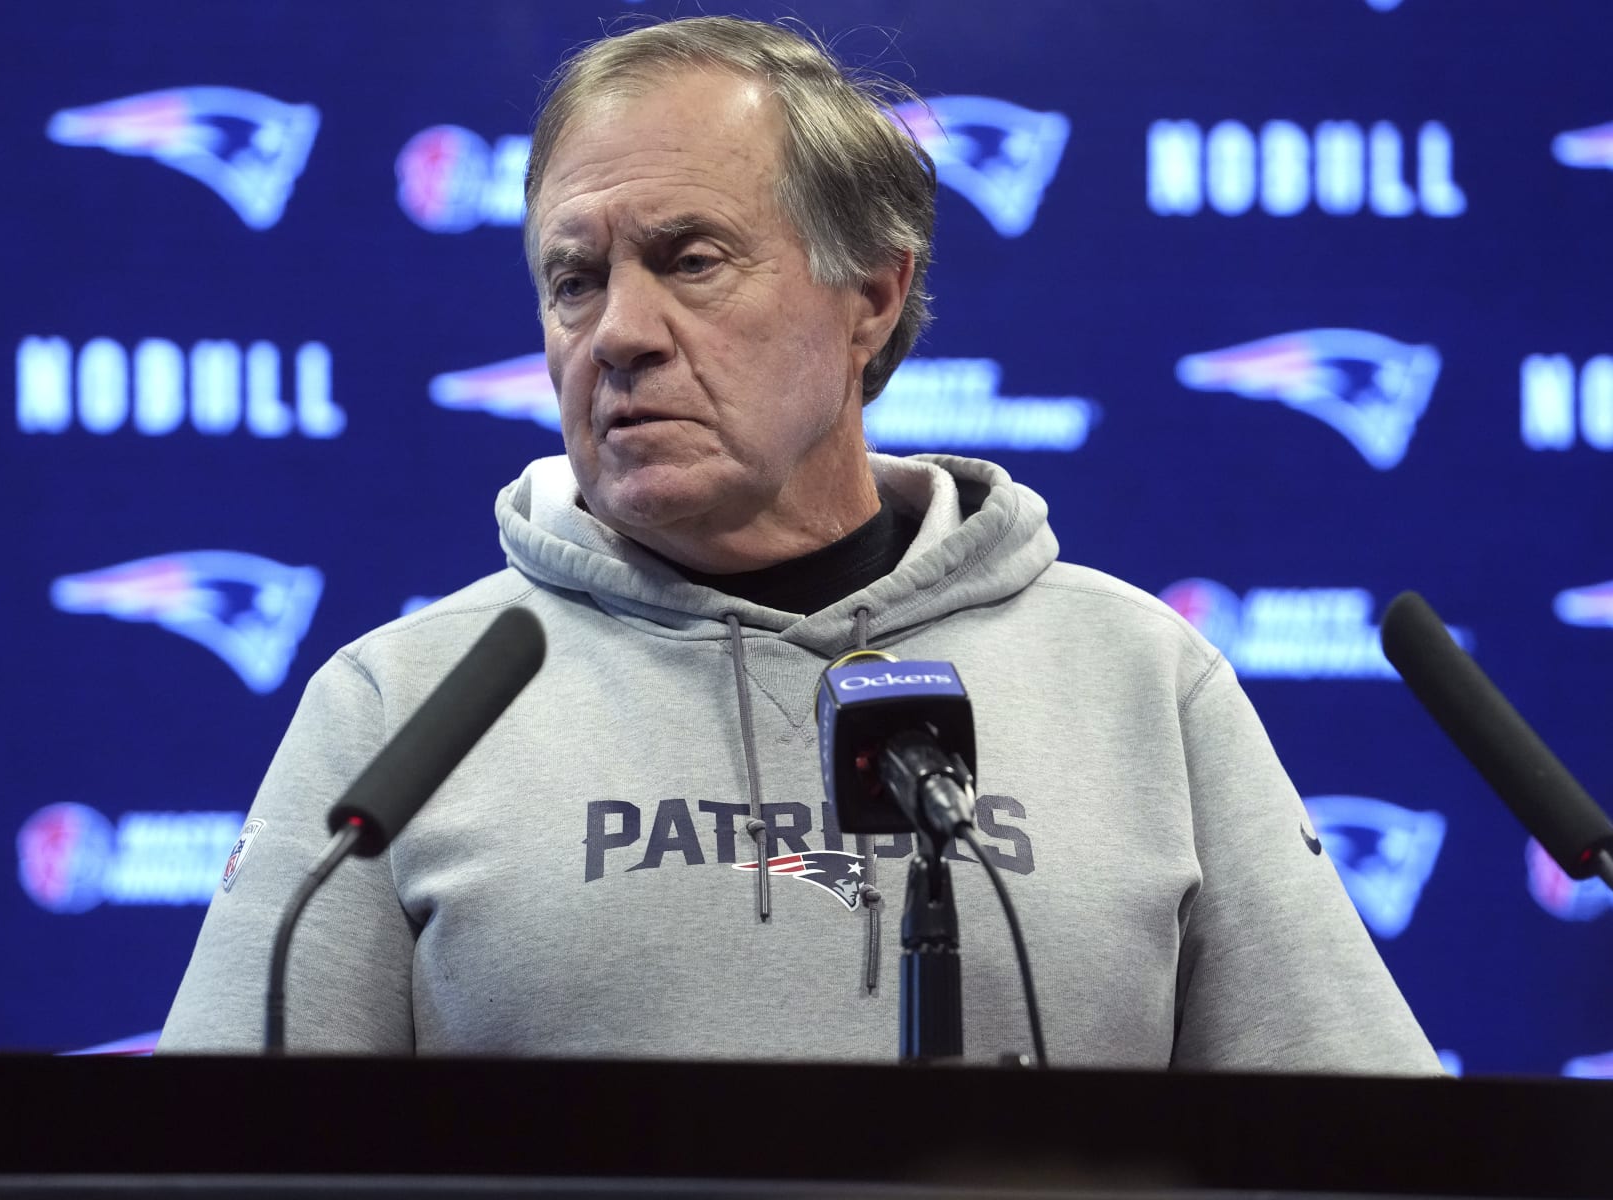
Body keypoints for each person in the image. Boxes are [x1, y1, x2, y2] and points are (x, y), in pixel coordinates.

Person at [159, 15, 1438, 1072]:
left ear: (872, 296)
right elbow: (212, 1159)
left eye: (689, 259)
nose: (619, 333)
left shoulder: (1139, 681)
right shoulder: (400, 707)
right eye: (574, 279)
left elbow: (1363, 1140)